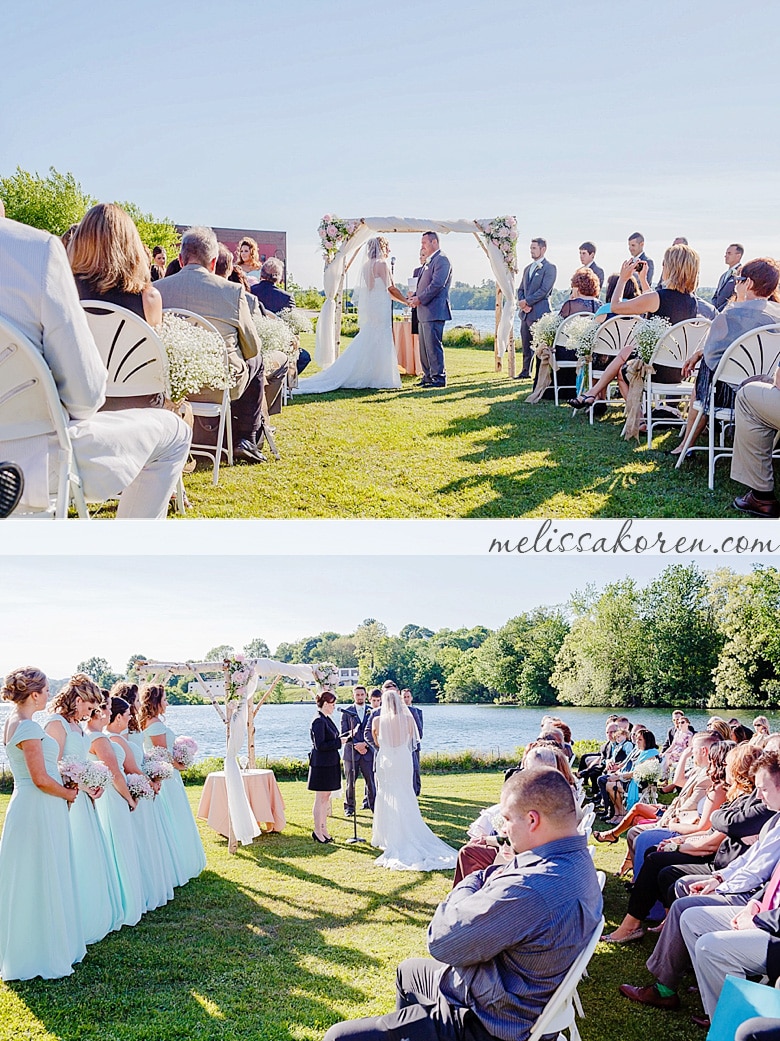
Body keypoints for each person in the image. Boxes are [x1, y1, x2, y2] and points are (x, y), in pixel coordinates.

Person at [323, 768, 602, 1041]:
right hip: (521, 996)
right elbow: (495, 877)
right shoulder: (576, 861)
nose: (503, 829)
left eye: (506, 819)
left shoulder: (531, 887)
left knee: (338, 1036)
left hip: (491, 1019)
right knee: (409, 972)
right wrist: (486, 878)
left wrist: (468, 883)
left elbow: (441, 941)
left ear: (532, 820)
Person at [0, 212, 191, 517]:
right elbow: (86, 399)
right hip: (35, 458)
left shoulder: (72, 288)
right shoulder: (37, 253)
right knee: (176, 432)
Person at [619, 748, 780, 1012]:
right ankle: (679, 983)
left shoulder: (766, 815)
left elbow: (757, 871)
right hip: (747, 891)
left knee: (682, 897)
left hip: (756, 902)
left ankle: (682, 992)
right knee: (676, 886)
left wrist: (747, 906)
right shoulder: (773, 817)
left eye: (763, 788)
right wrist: (718, 878)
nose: (759, 795)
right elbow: (741, 849)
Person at [0, 666, 85, 980]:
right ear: (33, 694)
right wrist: (68, 793)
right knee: (39, 872)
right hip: (37, 807)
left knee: (37, 872)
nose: (49, 694)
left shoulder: (21, 723)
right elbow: (39, 779)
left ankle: (40, 942)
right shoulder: (25, 727)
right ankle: (37, 952)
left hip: (37, 806)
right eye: (46, 690)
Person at [156, 225, 268, 464]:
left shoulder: (157, 290)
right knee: (257, 361)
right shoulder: (232, 291)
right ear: (214, 261)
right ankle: (245, 438)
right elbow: (252, 349)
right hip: (218, 386)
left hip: (171, 386)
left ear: (180, 258)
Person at [673, 257, 780, 464]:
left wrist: (702, 355)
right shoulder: (776, 318)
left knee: (704, 375)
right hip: (767, 392)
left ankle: (686, 445)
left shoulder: (730, 315)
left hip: (730, 396)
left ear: (748, 283)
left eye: (738, 279)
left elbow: (714, 360)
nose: (735, 284)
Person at [569, 244, 700, 410]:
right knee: (627, 350)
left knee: (622, 372)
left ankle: (638, 418)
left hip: (655, 370)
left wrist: (623, 279)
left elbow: (615, 306)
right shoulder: (692, 301)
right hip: (678, 369)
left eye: (664, 264)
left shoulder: (658, 297)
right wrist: (643, 279)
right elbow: (653, 301)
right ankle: (592, 393)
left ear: (671, 268)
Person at [44, 673, 123, 944]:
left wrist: (93, 781)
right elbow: (52, 766)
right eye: (89, 708)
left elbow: (78, 761)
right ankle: (75, 919)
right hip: (68, 798)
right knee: (75, 853)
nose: (91, 713)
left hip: (83, 797)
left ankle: (92, 912)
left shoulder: (77, 727)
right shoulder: (56, 724)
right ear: (77, 700)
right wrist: (78, 784)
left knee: (89, 851)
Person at [68, 202, 165, 409]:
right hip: (135, 404)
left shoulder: (62, 289)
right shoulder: (149, 298)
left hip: (75, 401)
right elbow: (154, 361)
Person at [296, 237, 404, 393]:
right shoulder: (382, 264)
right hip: (381, 306)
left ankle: (373, 374)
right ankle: (380, 376)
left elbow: (380, 290)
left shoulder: (367, 265)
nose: (389, 251)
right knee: (381, 336)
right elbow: (391, 289)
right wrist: (407, 301)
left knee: (371, 336)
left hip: (374, 305)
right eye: (388, 247)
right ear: (383, 247)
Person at [371, 686, 456, 871]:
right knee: (405, 792)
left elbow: (376, 741)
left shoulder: (377, 721)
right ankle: (409, 828)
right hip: (403, 758)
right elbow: (412, 740)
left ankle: (386, 836)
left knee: (386, 794)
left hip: (386, 760)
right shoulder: (408, 720)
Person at [140, 684, 206, 881]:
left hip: (164, 772)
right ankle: (181, 861)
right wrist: (180, 765)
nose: (167, 703)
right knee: (175, 815)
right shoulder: (155, 725)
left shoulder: (148, 722)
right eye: (165, 699)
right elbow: (163, 754)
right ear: (156, 701)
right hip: (167, 776)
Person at [407, 231, 452, 388]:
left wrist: (420, 298)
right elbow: (423, 285)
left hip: (435, 310)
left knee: (433, 346)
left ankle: (439, 378)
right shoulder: (428, 262)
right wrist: (414, 297)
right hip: (423, 311)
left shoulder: (442, 260)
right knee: (424, 347)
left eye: (424, 243)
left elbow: (437, 285)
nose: (422, 246)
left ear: (434, 242)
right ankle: (428, 377)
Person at [516, 238, 557, 379]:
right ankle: (525, 371)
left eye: (534, 248)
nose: (531, 251)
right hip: (526, 314)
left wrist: (527, 302)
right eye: (531, 248)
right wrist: (522, 302)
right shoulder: (528, 268)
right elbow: (521, 288)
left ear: (543, 249)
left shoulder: (550, 268)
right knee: (526, 344)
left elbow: (544, 290)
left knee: (540, 345)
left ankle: (540, 374)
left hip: (540, 313)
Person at [308, 689, 341, 843]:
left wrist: (342, 738)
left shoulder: (326, 718)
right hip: (321, 765)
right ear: (326, 704)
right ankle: (317, 830)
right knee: (321, 798)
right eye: (333, 704)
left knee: (326, 797)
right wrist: (341, 742)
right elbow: (320, 745)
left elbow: (333, 738)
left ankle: (324, 829)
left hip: (330, 763)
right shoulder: (318, 720)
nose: (334, 707)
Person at [340, 685, 375, 816]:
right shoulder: (346, 711)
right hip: (351, 753)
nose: (360, 697)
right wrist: (356, 745)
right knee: (350, 783)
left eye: (362, 694)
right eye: (357, 695)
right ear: (353, 696)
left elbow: (375, 732)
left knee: (371, 782)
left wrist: (365, 744)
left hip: (368, 753)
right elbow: (344, 733)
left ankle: (374, 806)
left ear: (366, 695)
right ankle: (349, 808)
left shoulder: (372, 711)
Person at [402, 687, 424, 796]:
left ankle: (417, 789)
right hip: (402, 745)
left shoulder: (418, 712)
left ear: (411, 698)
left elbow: (420, 729)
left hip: (414, 744)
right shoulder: (399, 712)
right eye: (404, 697)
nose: (406, 699)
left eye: (408, 697)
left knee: (415, 768)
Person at [712, 243, 744, 311]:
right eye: (726, 253)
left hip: (728, 313)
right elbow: (716, 296)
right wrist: (714, 310)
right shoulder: (723, 276)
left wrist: (721, 311)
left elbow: (736, 296)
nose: (725, 256)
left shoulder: (741, 274)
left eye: (729, 253)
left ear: (738, 256)